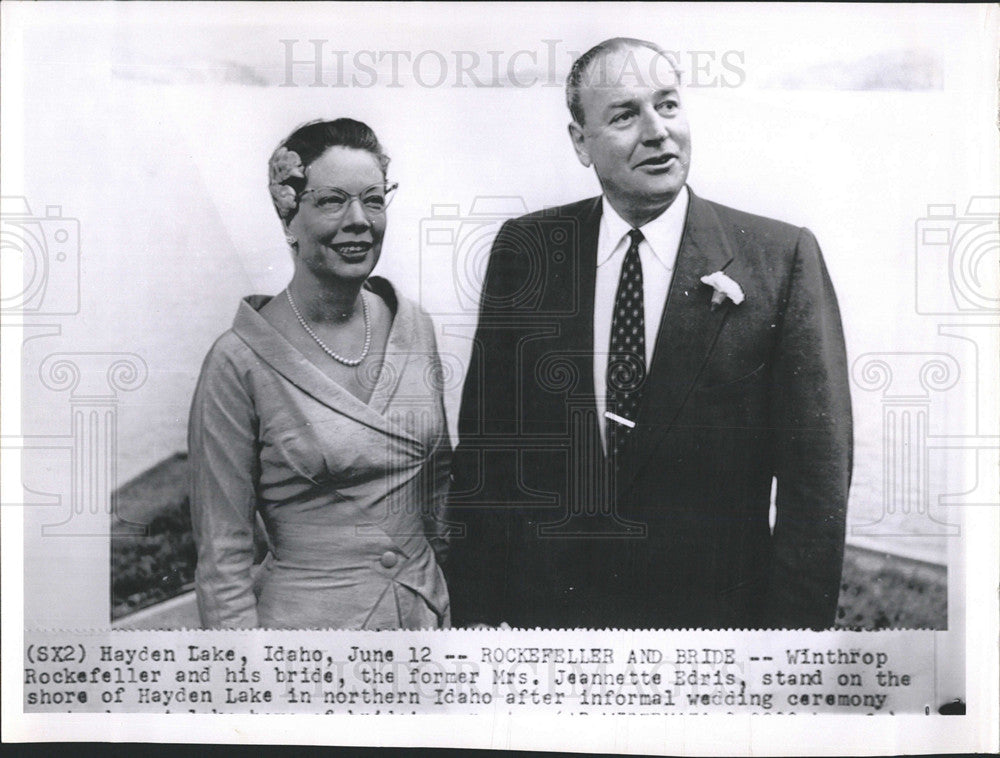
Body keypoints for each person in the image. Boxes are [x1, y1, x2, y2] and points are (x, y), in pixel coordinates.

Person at [446, 38, 852, 630]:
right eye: (624, 115)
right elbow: (486, 455)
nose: (658, 131)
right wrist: (480, 621)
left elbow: (816, 485)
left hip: (714, 638)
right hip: (548, 634)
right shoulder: (527, 251)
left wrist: (787, 657)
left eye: (667, 105)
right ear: (580, 143)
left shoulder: (780, 260)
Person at [188, 118, 450, 629]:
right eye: (332, 200)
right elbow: (224, 558)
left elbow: (440, 490)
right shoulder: (238, 362)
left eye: (373, 200)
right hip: (309, 647)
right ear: (288, 218)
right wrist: (249, 689)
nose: (359, 221)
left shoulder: (415, 326)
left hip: (426, 624)